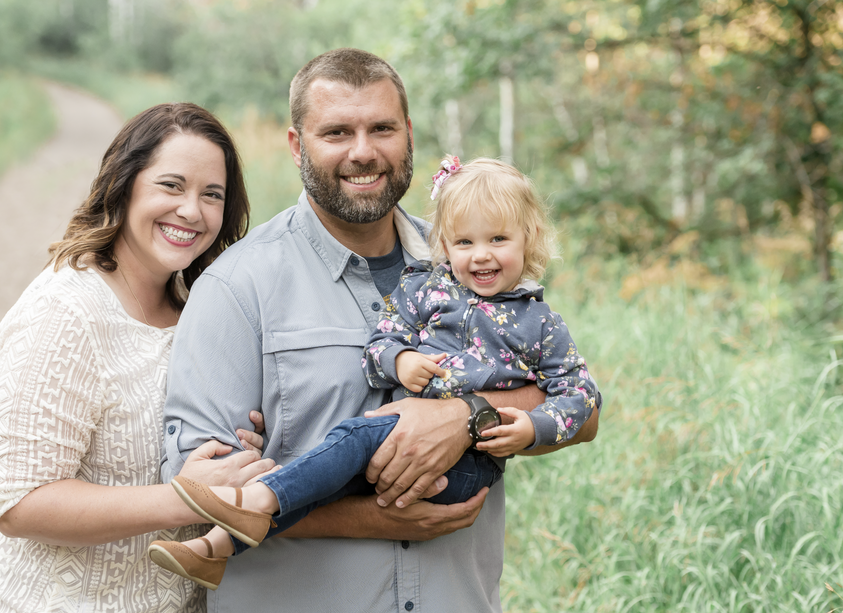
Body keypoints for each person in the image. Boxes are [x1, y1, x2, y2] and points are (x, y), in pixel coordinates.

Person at [162, 48, 600, 613]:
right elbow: (195, 491)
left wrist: (465, 416)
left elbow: (582, 411)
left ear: (409, 135)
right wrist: (375, 518)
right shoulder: (238, 288)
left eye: (381, 129)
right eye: (337, 131)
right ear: (296, 144)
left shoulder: (473, 259)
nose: (362, 151)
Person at [150, 156, 601, 589]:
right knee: (314, 484)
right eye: (465, 243)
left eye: (498, 240)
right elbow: (379, 345)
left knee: (352, 438)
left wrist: (532, 428)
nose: (481, 257)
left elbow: (580, 395)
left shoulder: (540, 323)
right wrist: (400, 361)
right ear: (444, 244)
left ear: (530, 238)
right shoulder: (427, 291)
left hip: (464, 473)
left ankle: (254, 499)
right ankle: (212, 548)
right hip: (396, 455)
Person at [0, 103, 277, 613]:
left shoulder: (200, 310)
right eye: (171, 185)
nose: (191, 210)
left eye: (212, 194)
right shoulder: (67, 311)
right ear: (125, 184)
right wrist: (185, 497)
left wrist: (245, 444)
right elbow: (18, 503)